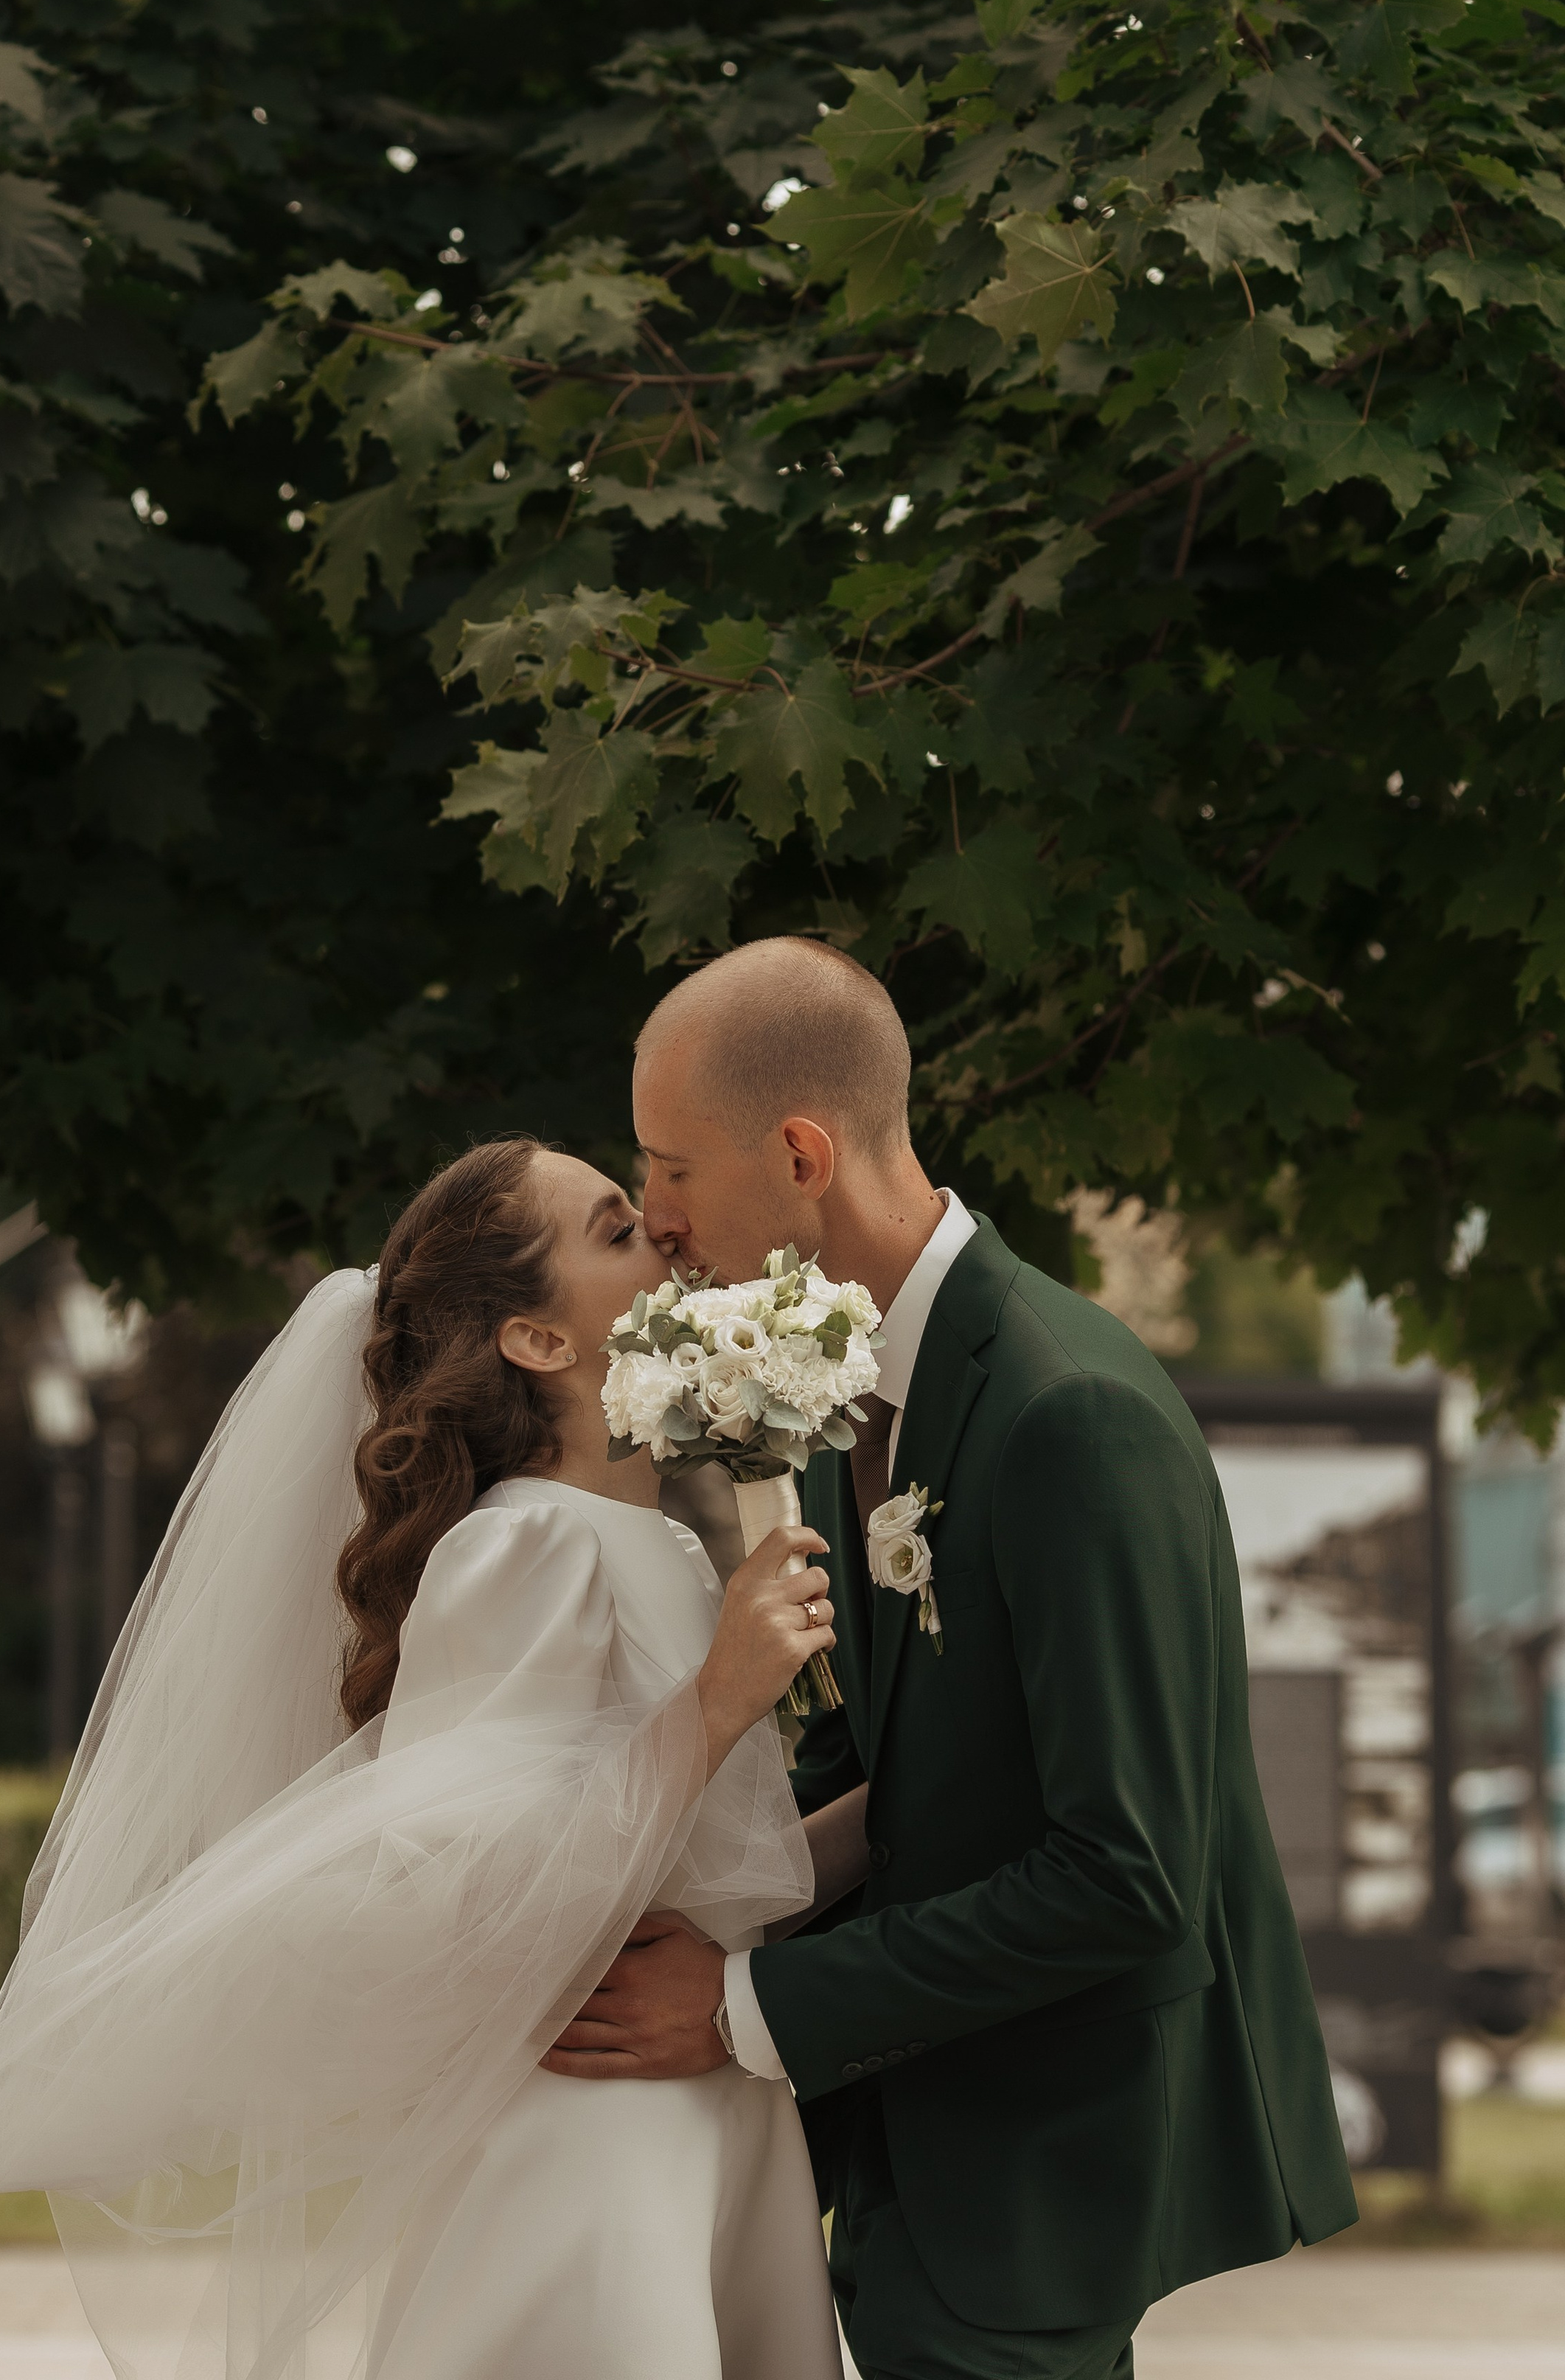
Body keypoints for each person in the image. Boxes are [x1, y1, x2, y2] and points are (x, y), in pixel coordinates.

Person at [546, 937, 1359, 2380]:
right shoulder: (854, 1390)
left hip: (1042, 2156)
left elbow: (1126, 1874)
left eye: (670, 1167)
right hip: (920, 2125)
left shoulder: (1066, 1415)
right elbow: (897, 1766)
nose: (656, 1217)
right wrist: (686, 1897)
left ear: (799, 1152)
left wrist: (744, 2011)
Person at [0, 1137, 848, 2380]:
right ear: (540, 1342)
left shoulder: (660, 1543)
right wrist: (720, 1696)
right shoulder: (519, 1551)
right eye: (616, 1231)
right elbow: (481, 1884)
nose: (665, 1238)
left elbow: (726, 1856)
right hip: (594, 2137)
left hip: (710, 2104)